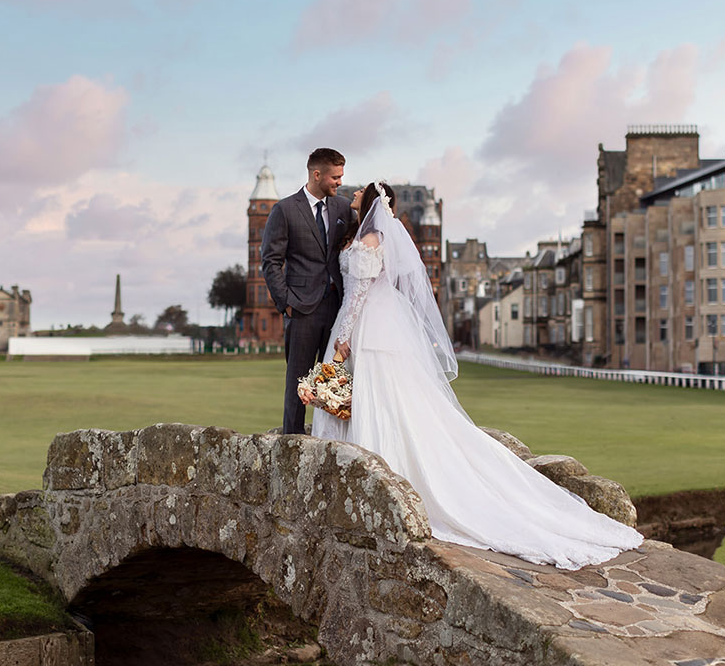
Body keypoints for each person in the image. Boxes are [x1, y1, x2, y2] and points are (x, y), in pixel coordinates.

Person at [309, 182, 643, 570]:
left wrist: (343, 337)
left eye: (356, 195)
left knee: (381, 397)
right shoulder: (367, 235)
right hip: (379, 322)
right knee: (386, 399)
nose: (349, 198)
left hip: (369, 326)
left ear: (369, 203)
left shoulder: (369, 241)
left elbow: (357, 295)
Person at [261, 148, 357, 435]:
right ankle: (292, 441)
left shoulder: (342, 208)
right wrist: (286, 303)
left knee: (335, 379)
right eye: (335, 177)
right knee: (299, 381)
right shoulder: (285, 210)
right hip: (301, 309)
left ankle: (330, 439)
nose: (340, 182)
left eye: (341, 176)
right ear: (317, 174)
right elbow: (270, 261)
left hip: (337, 309)